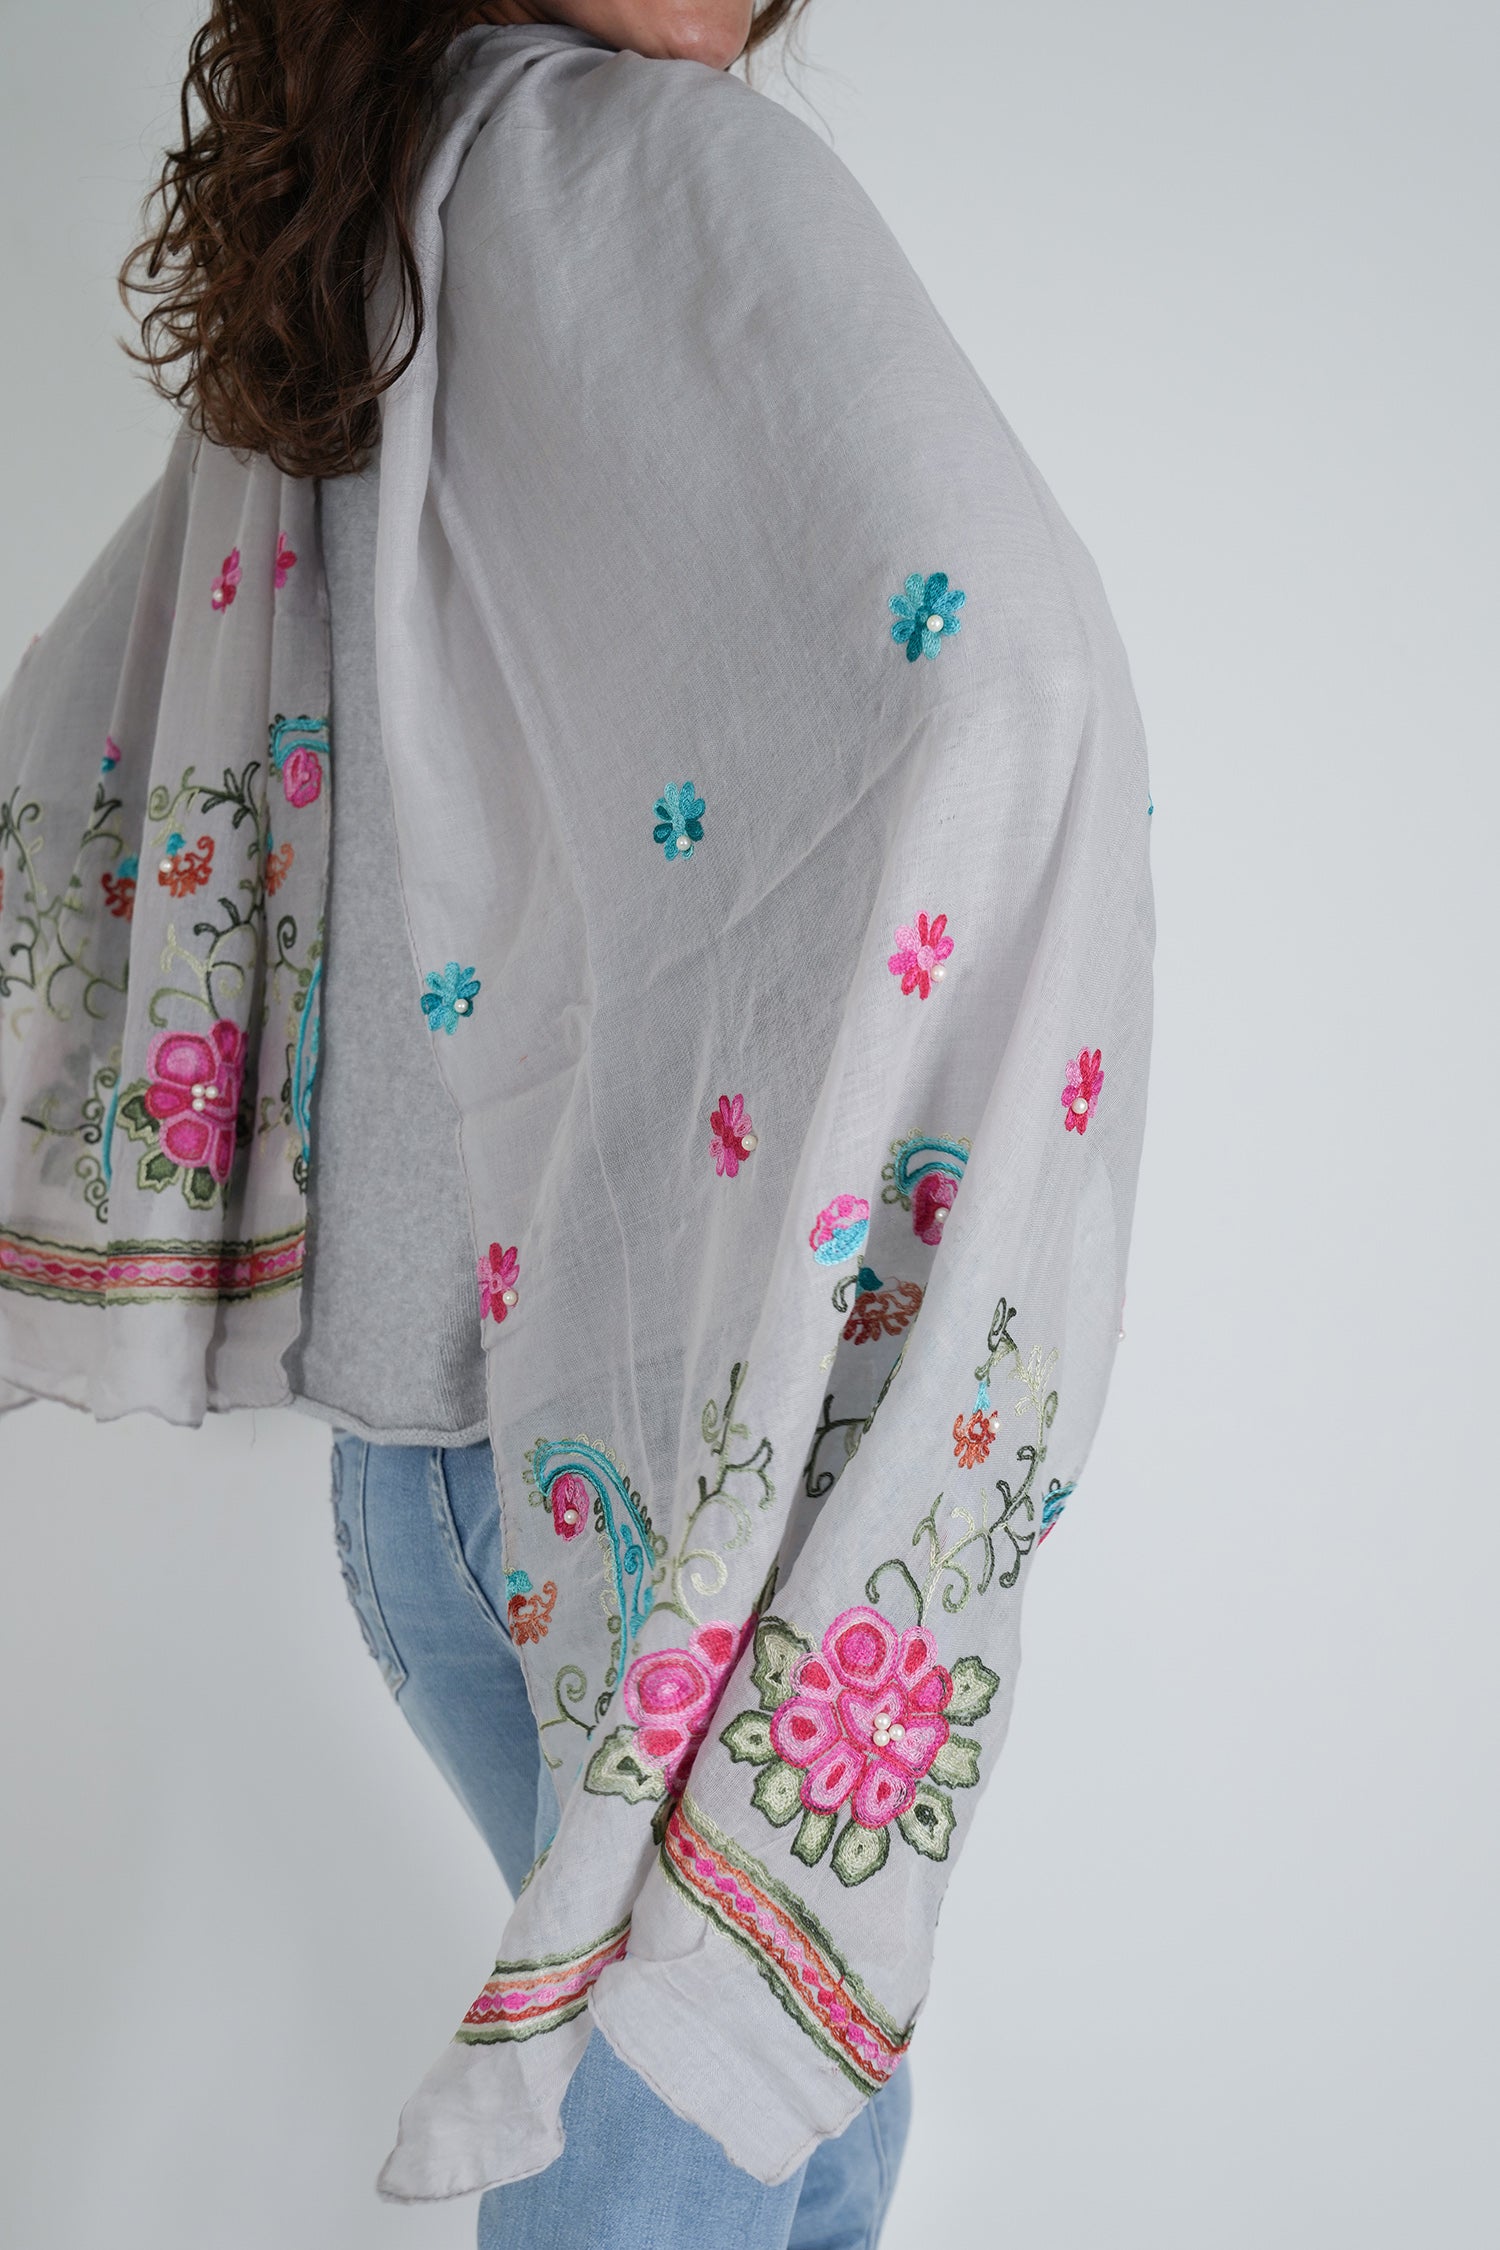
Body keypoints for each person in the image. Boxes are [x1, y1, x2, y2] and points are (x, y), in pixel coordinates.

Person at [0, 4, 1154, 2245]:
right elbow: (1002, 667)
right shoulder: (646, 170)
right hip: (627, 1470)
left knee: (791, 2113)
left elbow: (99, 699)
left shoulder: (360, 218)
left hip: (424, 1479)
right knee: (719, 2129)